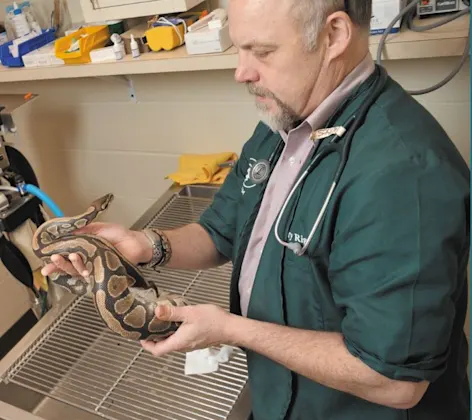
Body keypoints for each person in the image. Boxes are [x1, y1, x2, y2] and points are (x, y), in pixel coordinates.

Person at [41, 0, 470, 419]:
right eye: (240, 48)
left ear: (333, 35)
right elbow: (221, 230)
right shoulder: (286, 120)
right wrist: (146, 244)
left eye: (262, 51)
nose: (241, 72)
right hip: (278, 392)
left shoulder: (403, 178)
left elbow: (394, 382)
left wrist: (230, 329)